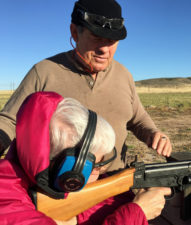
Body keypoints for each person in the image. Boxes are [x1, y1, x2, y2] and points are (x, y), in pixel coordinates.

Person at [0, 0, 172, 171]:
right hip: (59, 187)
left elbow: (138, 119)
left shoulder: (124, 75)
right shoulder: (45, 71)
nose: (105, 49)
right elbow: (10, 120)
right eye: (97, 38)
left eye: (112, 40)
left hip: (115, 183)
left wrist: (154, 134)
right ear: (75, 33)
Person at [0, 91, 171, 225]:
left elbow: (90, 202)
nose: (101, 172)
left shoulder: (21, 175)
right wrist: (137, 213)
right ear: (69, 172)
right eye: (95, 166)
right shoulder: (10, 210)